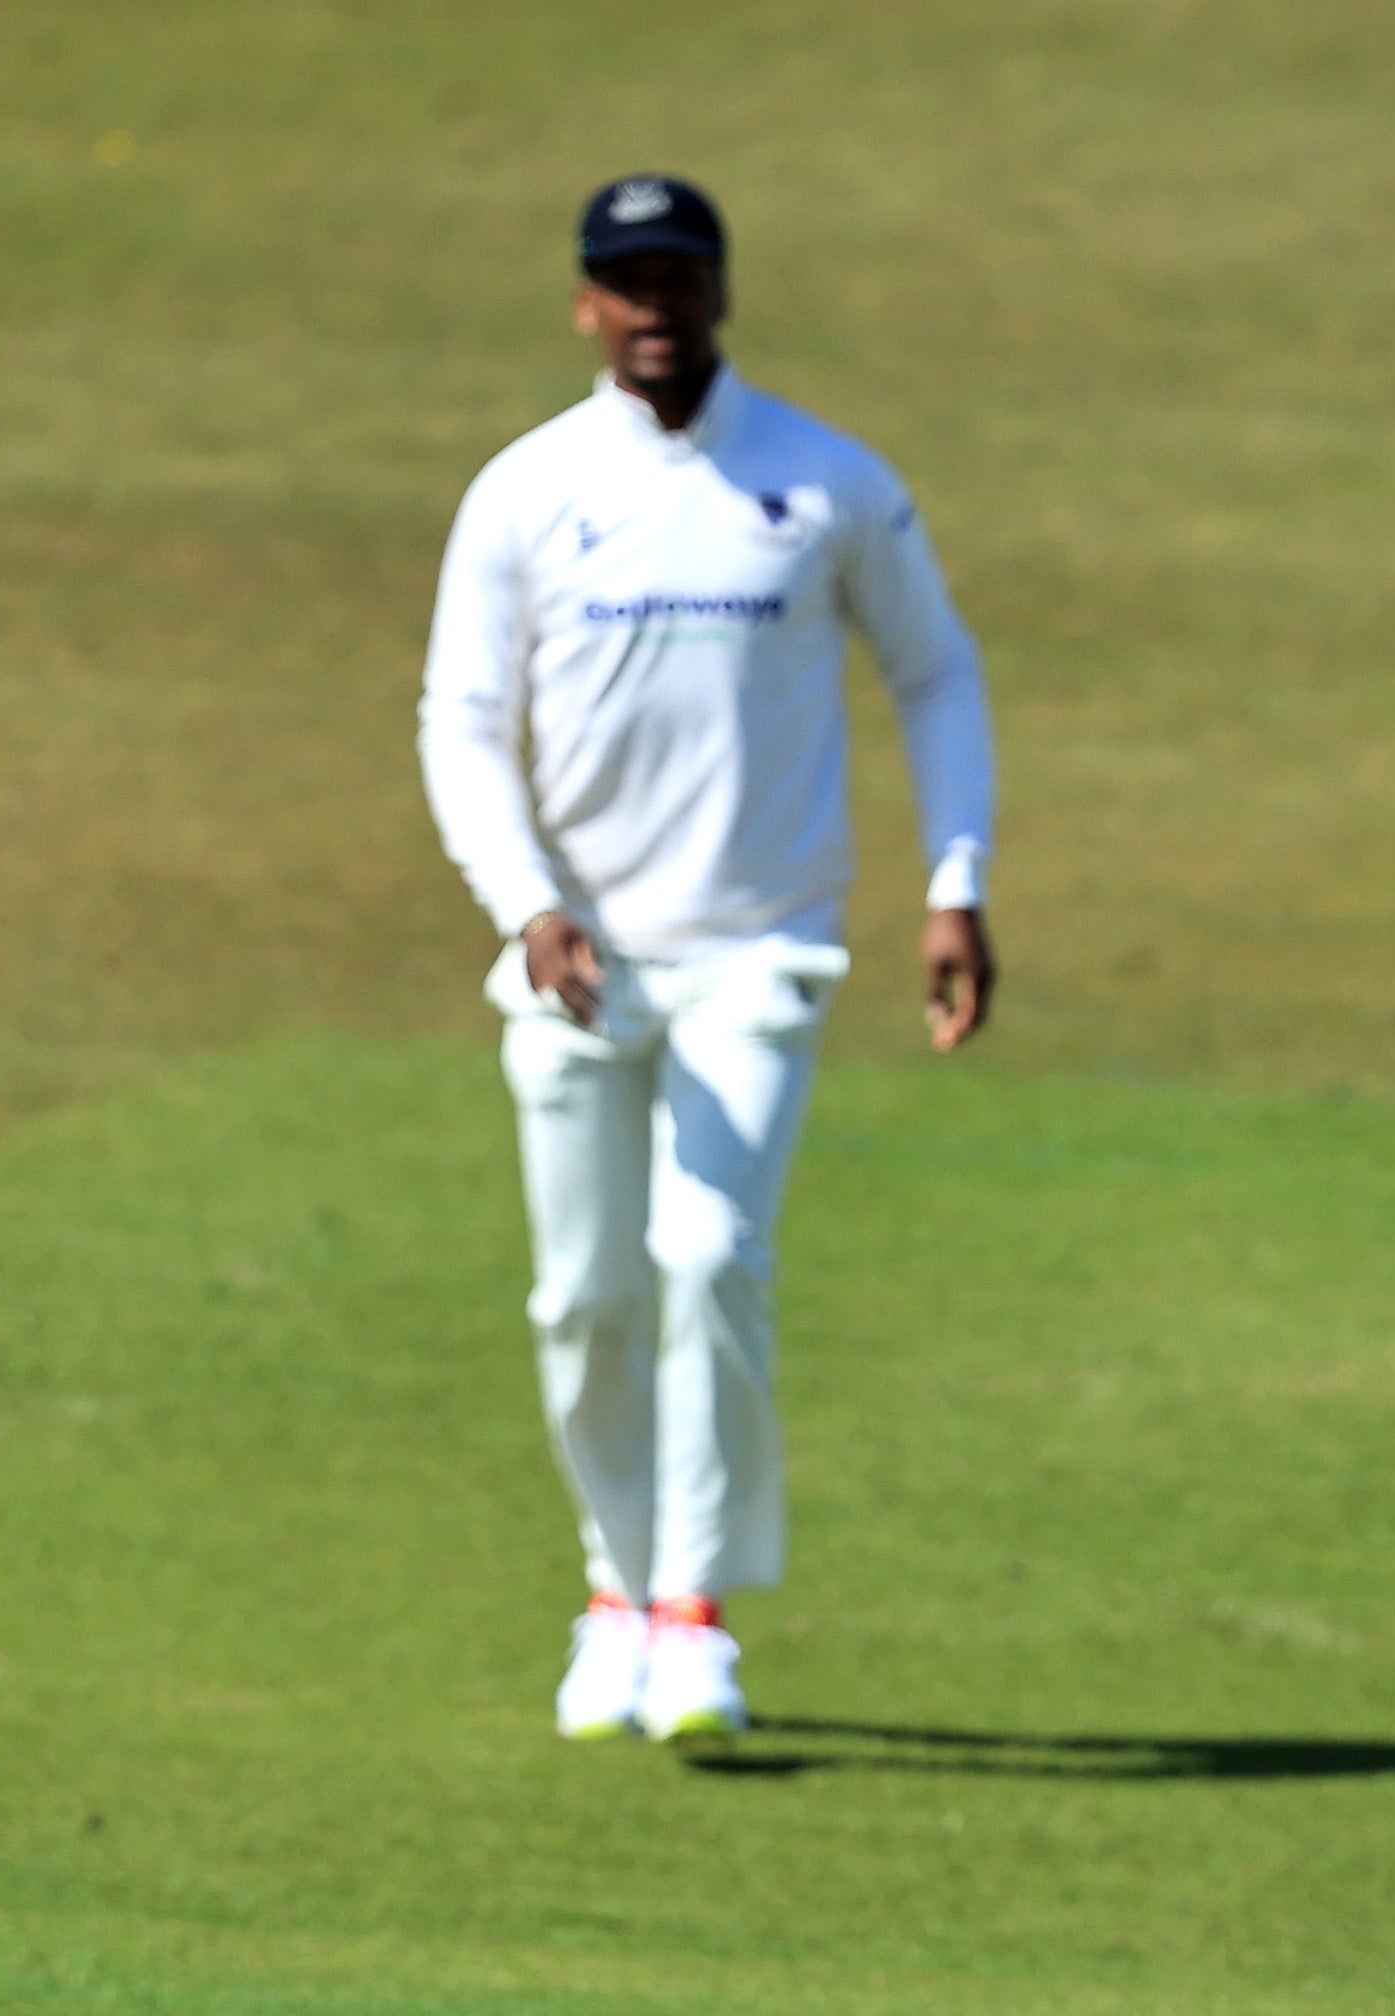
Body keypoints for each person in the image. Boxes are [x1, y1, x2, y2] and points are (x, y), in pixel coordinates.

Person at [416, 175, 999, 1741]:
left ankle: (695, 1606)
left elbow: (935, 676)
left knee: (706, 1253)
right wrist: (520, 900)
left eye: (679, 275)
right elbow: (461, 721)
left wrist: (955, 881)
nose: (654, 304)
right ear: (587, 304)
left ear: (722, 289)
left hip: (759, 950)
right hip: (577, 960)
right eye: (626, 280)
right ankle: (614, 1588)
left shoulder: (824, 483)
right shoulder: (527, 489)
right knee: (581, 1294)